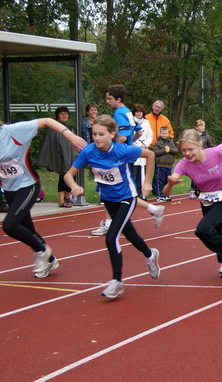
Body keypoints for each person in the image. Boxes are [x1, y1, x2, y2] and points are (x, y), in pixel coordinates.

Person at [0, 102, 86, 277]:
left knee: (10, 225)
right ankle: (50, 260)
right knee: (27, 229)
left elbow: (47, 121)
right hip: (10, 189)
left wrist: (70, 136)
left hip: (28, 185)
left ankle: (42, 250)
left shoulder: (13, 131)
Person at [64, 115, 160, 299]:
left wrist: (147, 182)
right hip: (108, 200)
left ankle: (117, 281)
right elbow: (69, 175)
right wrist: (73, 186)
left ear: (112, 134)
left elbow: (150, 154)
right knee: (130, 234)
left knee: (111, 237)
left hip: (127, 197)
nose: (97, 138)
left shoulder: (122, 150)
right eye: (94, 134)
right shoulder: (88, 152)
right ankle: (150, 254)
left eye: (101, 134)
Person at [162, 129, 222, 278]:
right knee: (219, 230)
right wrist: (171, 184)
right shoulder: (184, 164)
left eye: (190, 149)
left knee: (203, 229)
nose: (187, 153)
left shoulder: (216, 153)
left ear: (200, 145)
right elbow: (166, 193)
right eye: (183, 150)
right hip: (207, 201)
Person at [91, 85, 164, 235]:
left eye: (110, 99)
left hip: (117, 158)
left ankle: (110, 224)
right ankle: (154, 209)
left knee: (109, 189)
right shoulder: (128, 112)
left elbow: (123, 136)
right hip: (124, 155)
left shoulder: (119, 113)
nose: (107, 101)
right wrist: (130, 145)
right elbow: (138, 131)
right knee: (121, 192)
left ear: (118, 99)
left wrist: (114, 148)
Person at [37, 106, 77, 208]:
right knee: (63, 176)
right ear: (58, 116)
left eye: (66, 114)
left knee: (69, 175)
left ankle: (67, 197)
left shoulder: (69, 127)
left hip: (69, 156)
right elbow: (52, 144)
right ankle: (61, 199)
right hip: (60, 156)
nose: (64, 116)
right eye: (62, 114)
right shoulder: (54, 128)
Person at [132, 104, 153, 199]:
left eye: (140, 112)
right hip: (135, 150)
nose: (139, 113)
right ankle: (134, 193)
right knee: (134, 173)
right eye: (137, 112)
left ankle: (142, 193)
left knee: (143, 173)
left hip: (144, 150)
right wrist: (139, 145)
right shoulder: (131, 122)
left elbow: (150, 135)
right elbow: (131, 137)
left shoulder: (146, 123)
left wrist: (145, 144)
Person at [189, 119, 214, 198]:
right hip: (195, 158)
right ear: (196, 127)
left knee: (205, 174)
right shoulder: (193, 136)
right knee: (195, 175)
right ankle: (192, 190)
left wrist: (211, 154)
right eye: (200, 126)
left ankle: (204, 189)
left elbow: (210, 146)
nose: (203, 127)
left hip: (204, 158)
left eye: (203, 126)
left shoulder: (207, 136)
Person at [153, 126, 178, 201]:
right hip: (161, 165)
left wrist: (170, 150)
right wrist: (164, 150)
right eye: (163, 133)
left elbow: (176, 151)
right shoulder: (157, 143)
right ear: (160, 133)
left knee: (167, 181)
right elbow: (156, 152)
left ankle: (166, 194)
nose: (165, 135)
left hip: (169, 165)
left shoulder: (170, 142)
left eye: (166, 133)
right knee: (160, 180)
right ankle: (159, 195)